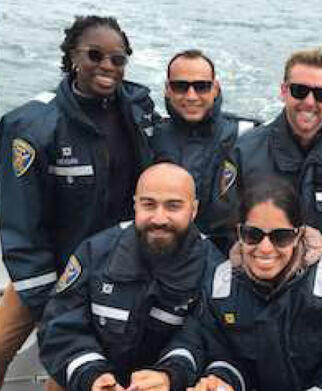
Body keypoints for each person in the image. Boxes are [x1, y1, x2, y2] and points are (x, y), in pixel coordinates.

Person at [0, 15, 158, 386]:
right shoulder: (33, 126)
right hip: (45, 270)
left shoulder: (138, 109)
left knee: (71, 371)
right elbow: (20, 223)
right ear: (73, 56)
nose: (107, 66)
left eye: (117, 59)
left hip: (106, 271)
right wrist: (46, 300)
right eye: (95, 55)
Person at [152, 175, 322, 391]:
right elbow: (209, 345)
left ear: (298, 235)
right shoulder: (222, 285)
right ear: (239, 233)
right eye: (253, 234)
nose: (265, 248)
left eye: (281, 237)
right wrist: (219, 382)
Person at [37, 162, 224, 391]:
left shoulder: (215, 269)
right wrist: (92, 375)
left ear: (193, 210)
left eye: (173, 206)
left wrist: (170, 376)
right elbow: (59, 324)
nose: (159, 218)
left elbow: (208, 338)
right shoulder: (95, 252)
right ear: (135, 205)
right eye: (148, 204)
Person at [231, 48, 322, 278]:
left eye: (321, 94)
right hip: (258, 276)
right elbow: (226, 219)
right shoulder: (246, 150)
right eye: (299, 91)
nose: (309, 102)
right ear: (283, 91)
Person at [150, 49, 260, 253]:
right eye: (180, 86)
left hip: (229, 256)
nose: (191, 96)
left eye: (201, 87)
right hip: (164, 252)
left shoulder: (248, 136)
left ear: (216, 88)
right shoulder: (149, 137)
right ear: (167, 89)